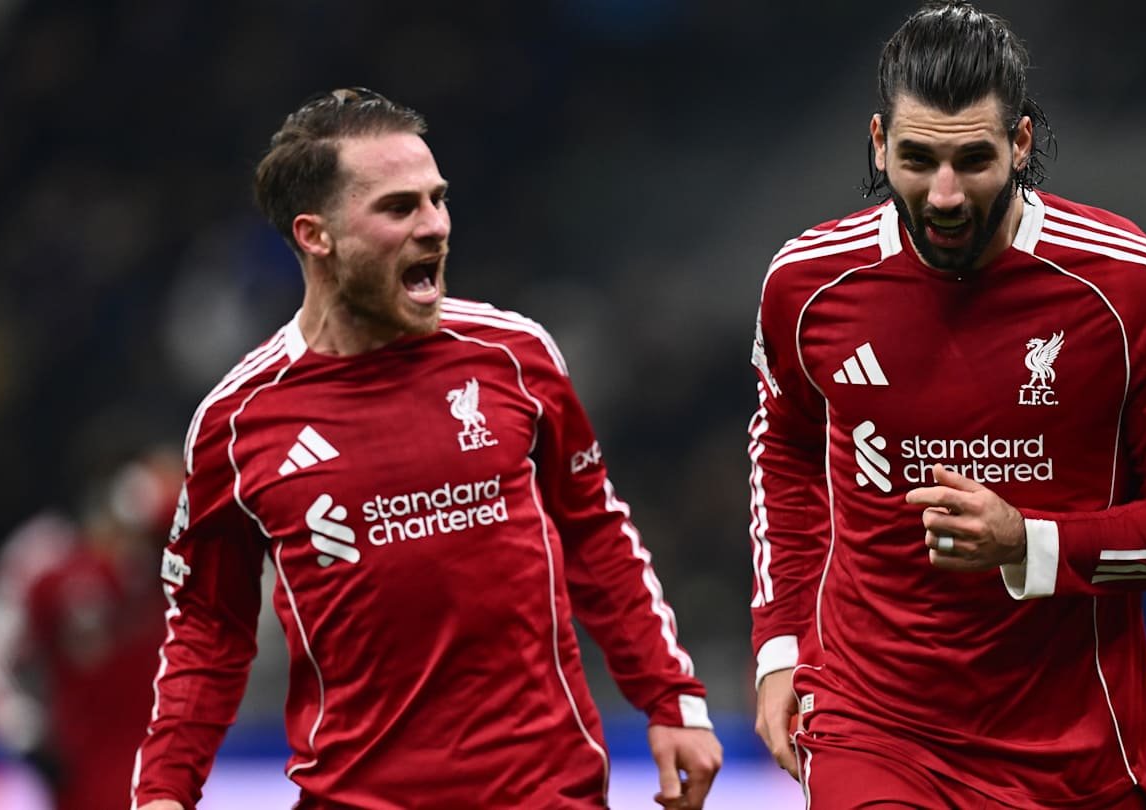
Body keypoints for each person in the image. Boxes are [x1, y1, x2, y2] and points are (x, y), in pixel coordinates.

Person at [132, 88, 721, 810]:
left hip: (546, 792)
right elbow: (208, 629)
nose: (436, 226)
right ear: (315, 235)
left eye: (436, 199)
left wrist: (669, 697)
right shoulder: (239, 419)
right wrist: (164, 790)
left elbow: (596, 537)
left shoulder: (515, 355)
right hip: (355, 798)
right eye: (398, 208)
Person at [746, 3, 1146, 806]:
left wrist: (1030, 543)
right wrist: (778, 650)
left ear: (1021, 142)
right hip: (873, 725)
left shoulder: (1133, 291)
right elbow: (786, 454)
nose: (943, 195)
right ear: (877, 142)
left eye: (972, 159)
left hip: (1068, 752)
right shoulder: (807, 286)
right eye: (915, 159)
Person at [0, 447, 181, 810]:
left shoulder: (164, 553)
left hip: (164, 774)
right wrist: (21, 728)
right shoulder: (45, 557)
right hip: (82, 775)